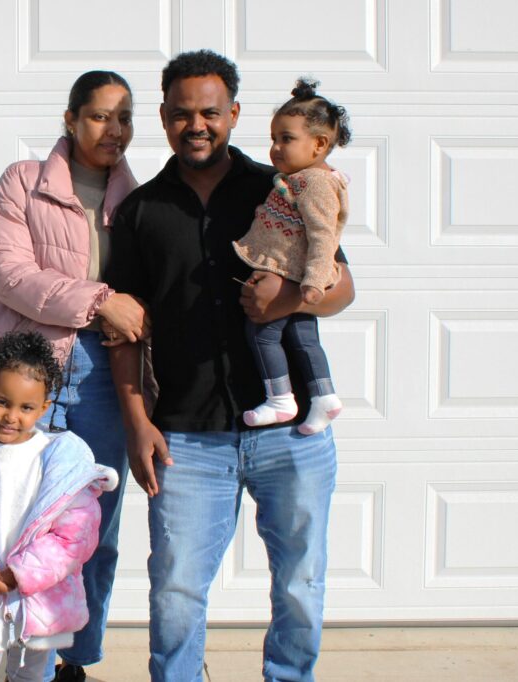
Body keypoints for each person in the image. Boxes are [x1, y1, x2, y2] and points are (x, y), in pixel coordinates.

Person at [103, 50, 355, 682]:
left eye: (211, 113)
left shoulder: (283, 188)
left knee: (300, 583)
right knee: (175, 594)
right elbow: (124, 330)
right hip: (187, 437)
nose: (197, 125)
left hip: (292, 433)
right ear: (163, 118)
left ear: (233, 114)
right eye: (182, 114)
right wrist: (137, 422)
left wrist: (290, 297)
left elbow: (344, 284)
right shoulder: (139, 212)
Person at [0, 70, 148, 682]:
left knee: (90, 528)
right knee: (18, 522)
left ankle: (73, 660)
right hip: (31, 370)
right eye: (100, 115)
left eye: (125, 117)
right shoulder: (22, 182)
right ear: (71, 119)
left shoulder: (140, 198)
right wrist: (100, 299)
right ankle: (13, 658)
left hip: (106, 374)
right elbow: (11, 276)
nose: (114, 129)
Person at [0, 331, 119, 682]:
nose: (11, 416)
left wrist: (22, 573)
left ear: (45, 406)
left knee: (31, 677)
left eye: (26, 407)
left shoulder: (60, 460)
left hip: (43, 597)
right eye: (1, 401)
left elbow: (74, 536)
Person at [232, 78, 351, 435]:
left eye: (287, 139)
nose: (276, 148)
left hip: (298, 276)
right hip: (298, 275)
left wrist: (312, 283)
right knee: (303, 338)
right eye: (273, 139)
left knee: (262, 335)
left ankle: (281, 398)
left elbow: (322, 237)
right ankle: (323, 397)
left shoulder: (315, 184)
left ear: (319, 144)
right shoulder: (300, 179)